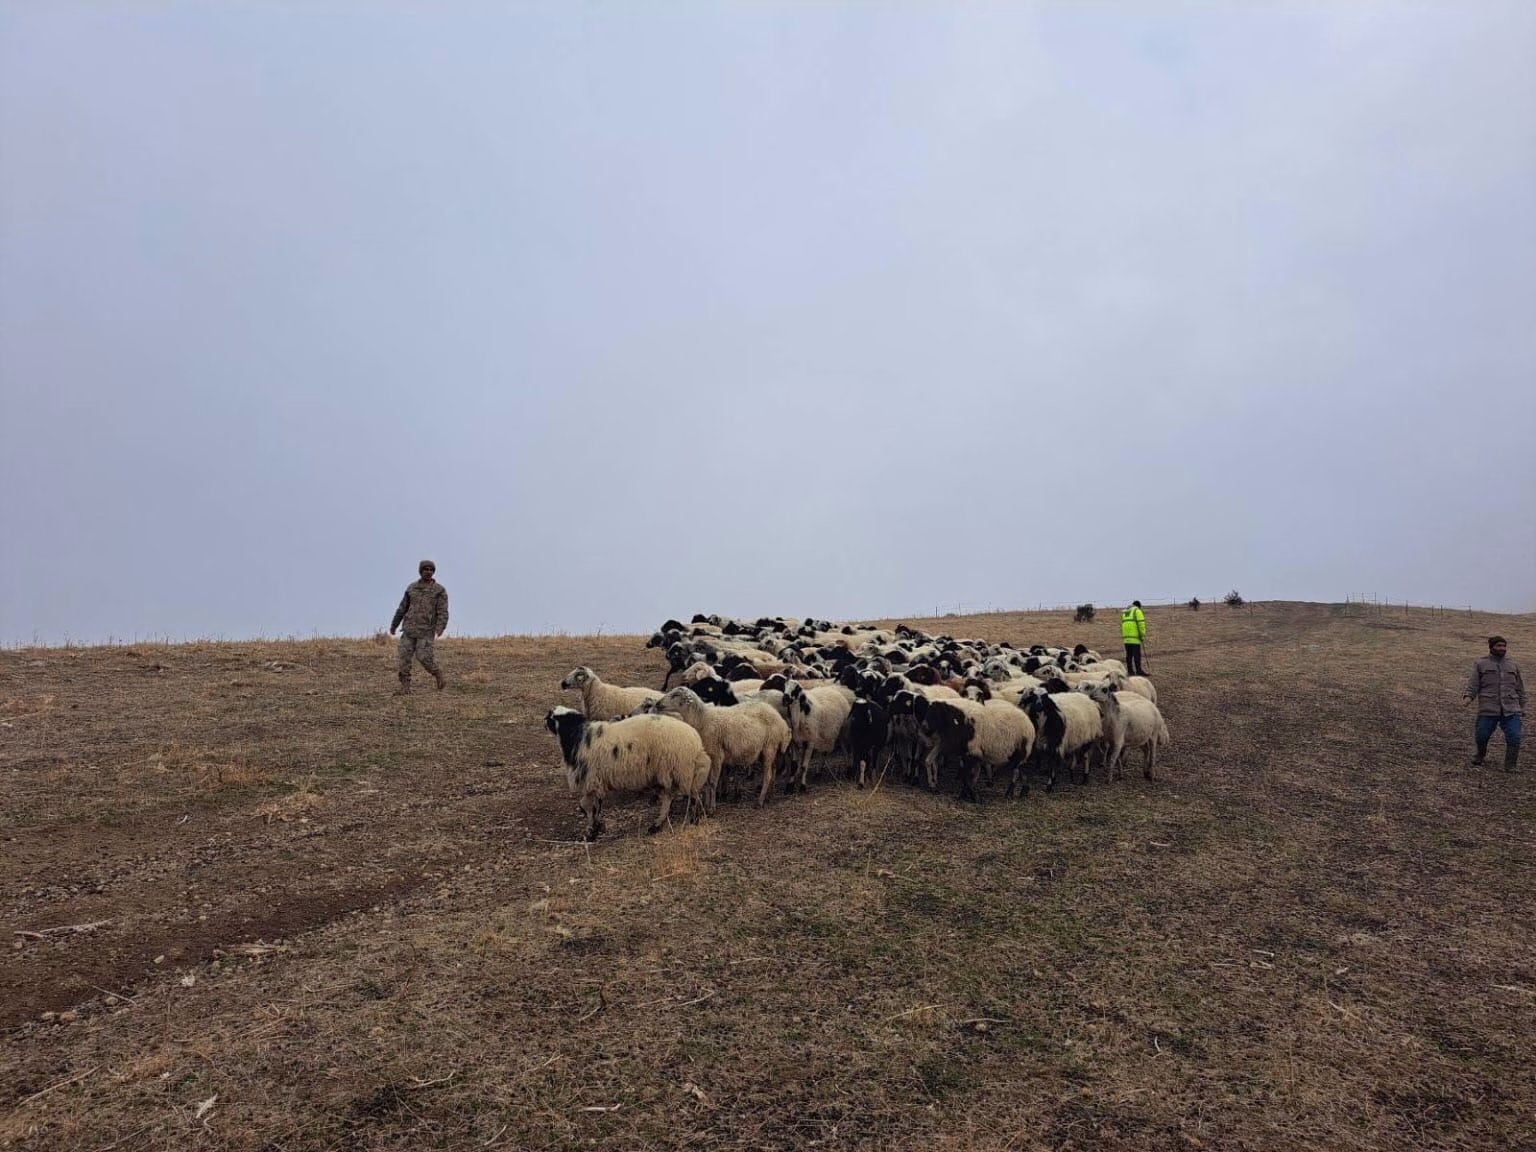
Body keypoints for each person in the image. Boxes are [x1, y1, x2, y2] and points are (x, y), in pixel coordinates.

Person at [1463, 635, 1523, 771]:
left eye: (1504, 646)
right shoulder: (1481, 664)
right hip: (1488, 708)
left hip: (1511, 708)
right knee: (1481, 735)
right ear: (1491, 647)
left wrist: (1522, 706)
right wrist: (1468, 697)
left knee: (1515, 736)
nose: (1502, 648)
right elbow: (1473, 684)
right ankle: (1480, 755)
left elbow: (1520, 688)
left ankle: (1510, 765)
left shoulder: (1512, 665)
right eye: (1499, 646)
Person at [389, 560, 449, 694]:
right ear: (420, 571)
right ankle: (405, 688)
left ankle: (438, 674)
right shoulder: (411, 588)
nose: (428, 571)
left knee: (424, 657)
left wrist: (440, 627)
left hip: (426, 631)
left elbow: (443, 611)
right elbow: (402, 608)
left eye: (431, 569)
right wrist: (394, 625)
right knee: (404, 659)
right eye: (425, 569)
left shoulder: (439, 590)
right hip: (409, 630)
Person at [1120, 600, 1147, 676]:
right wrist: (1142, 635)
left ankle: (1130, 671)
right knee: (1137, 655)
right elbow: (1141, 624)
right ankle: (1139, 671)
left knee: (1129, 655)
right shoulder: (1137, 611)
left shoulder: (1125, 612)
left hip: (1126, 638)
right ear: (1139, 606)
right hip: (1135, 638)